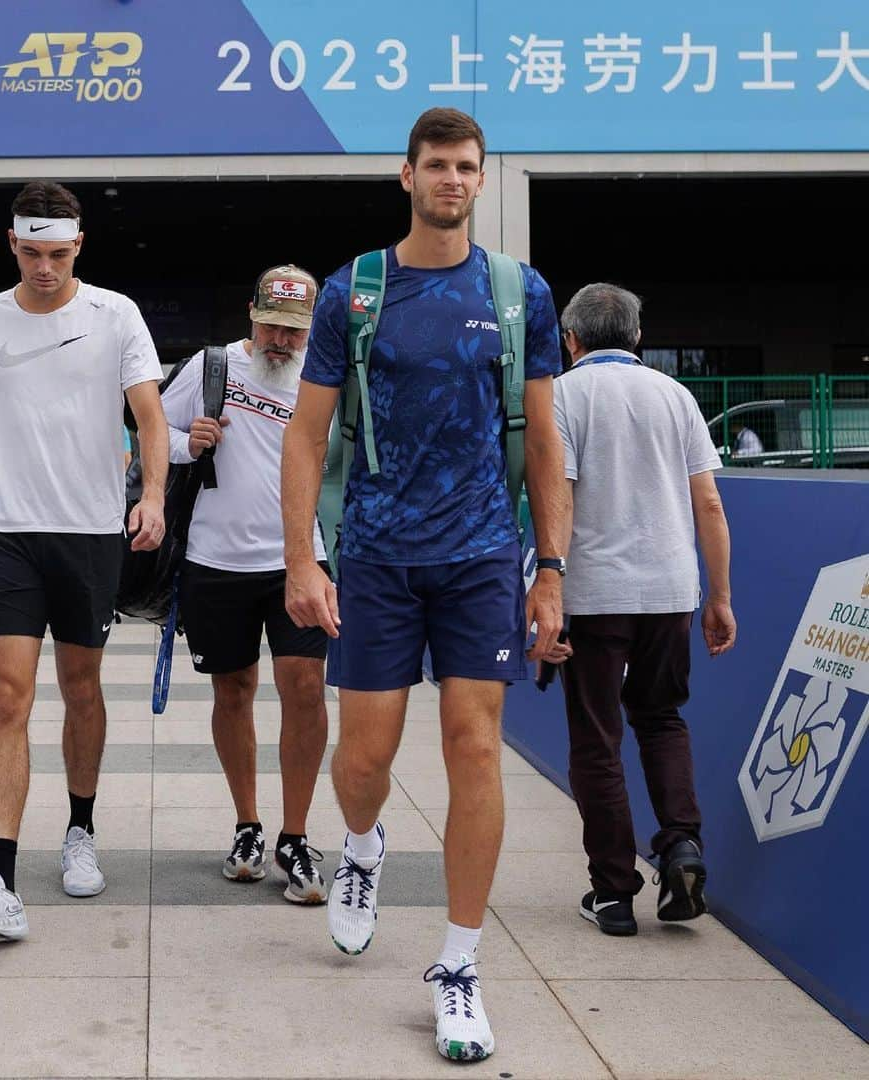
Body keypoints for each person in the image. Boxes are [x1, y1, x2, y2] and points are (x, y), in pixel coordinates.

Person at [281, 109, 566, 1063]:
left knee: (473, 746)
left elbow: (545, 440)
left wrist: (551, 570)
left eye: (467, 167)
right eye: (437, 165)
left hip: (483, 554)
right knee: (362, 762)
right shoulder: (354, 291)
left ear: (483, 180)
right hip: (375, 555)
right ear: (405, 176)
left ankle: (458, 964)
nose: (453, 180)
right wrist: (302, 558)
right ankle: (362, 848)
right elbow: (306, 436)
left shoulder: (517, 291)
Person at [0, 180, 168, 943]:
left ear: (79, 246)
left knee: (81, 686)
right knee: (8, 696)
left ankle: (80, 828)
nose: (45, 267)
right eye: (32, 252)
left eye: (59, 254)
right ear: (12, 244)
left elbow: (150, 416)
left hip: (90, 533)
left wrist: (156, 497)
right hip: (6, 534)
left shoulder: (116, 314)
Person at [546, 282, 737, 938]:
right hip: (669, 592)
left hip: (595, 594)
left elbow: (560, 497)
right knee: (661, 719)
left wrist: (546, 584)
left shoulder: (562, 396)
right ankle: (681, 846)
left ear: (570, 339)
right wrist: (720, 596)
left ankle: (615, 890)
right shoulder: (675, 395)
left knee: (597, 739)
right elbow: (708, 503)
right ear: (636, 337)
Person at [161, 265, 332, 904]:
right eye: (271, 325)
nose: (281, 341)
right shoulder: (212, 368)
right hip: (215, 560)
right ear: (249, 314)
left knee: (305, 689)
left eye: (294, 330)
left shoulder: (324, 377)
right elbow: (149, 432)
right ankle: (248, 826)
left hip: (300, 561)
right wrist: (186, 442)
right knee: (233, 690)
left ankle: (295, 835)